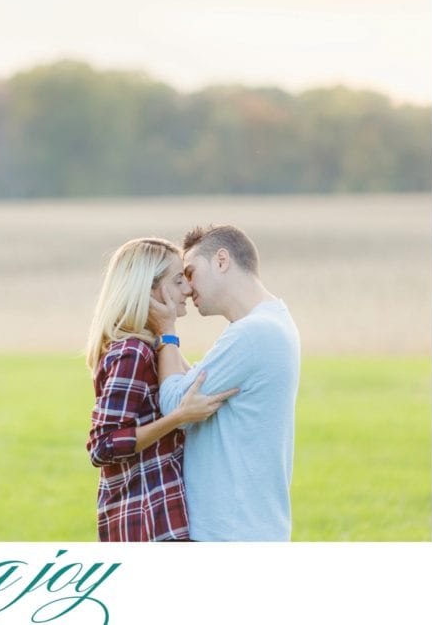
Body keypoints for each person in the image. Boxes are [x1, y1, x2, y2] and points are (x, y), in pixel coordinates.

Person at [152, 224, 300, 541]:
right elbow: (194, 389)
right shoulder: (274, 321)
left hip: (230, 533)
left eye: (190, 273)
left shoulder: (253, 333)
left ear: (221, 260)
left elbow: (174, 403)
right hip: (248, 528)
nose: (188, 289)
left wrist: (166, 330)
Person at [85, 237, 238, 542]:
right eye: (179, 280)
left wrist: (166, 331)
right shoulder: (132, 354)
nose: (189, 289)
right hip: (146, 524)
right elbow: (103, 446)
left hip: (162, 518)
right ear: (150, 288)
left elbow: (192, 382)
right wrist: (178, 417)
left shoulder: (152, 348)